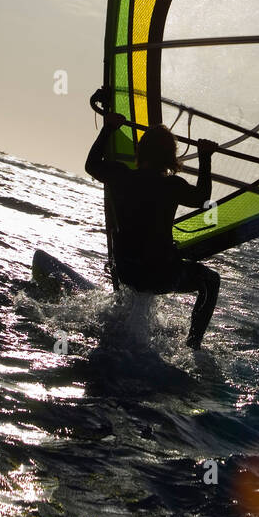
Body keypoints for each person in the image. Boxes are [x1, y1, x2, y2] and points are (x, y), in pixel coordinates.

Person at [85, 109, 220, 348]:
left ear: (140, 151)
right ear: (171, 159)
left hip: (126, 271)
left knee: (128, 260)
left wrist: (109, 128)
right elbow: (203, 199)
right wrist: (205, 156)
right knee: (211, 281)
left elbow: (92, 165)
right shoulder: (173, 186)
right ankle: (193, 344)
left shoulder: (120, 175)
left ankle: (119, 314)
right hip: (160, 276)